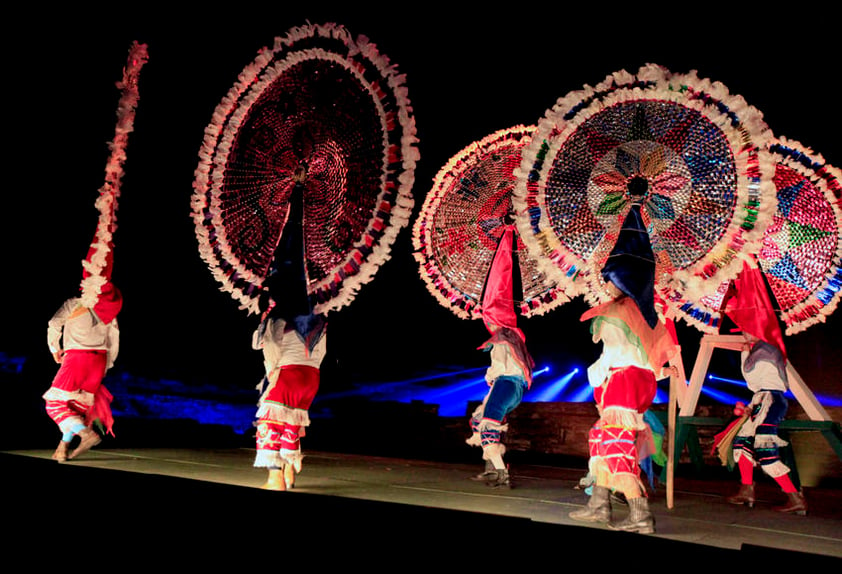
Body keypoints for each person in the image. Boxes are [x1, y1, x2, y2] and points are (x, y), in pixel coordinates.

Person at [568, 201, 679, 534]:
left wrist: (596, 377)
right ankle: (599, 504)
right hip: (638, 384)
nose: (607, 285)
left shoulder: (617, 312)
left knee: (614, 444)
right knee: (603, 439)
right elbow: (653, 362)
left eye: (610, 279)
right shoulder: (647, 314)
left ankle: (640, 514)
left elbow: (613, 353)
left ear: (622, 279)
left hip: (622, 383)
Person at [715, 256, 807, 514]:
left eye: (746, 327)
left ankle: (795, 497)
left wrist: (745, 289)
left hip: (771, 400)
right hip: (761, 400)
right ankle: (747, 490)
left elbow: (759, 316)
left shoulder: (768, 347)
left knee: (764, 450)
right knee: (742, 444)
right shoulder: (754, 349)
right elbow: (753, 380)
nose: (742, 331)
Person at [465, 223, 534, 489]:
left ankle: (501, 473)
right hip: (506, 385)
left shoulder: (506, 334)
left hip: (507, 384)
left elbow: (499, 307)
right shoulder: (507, 337)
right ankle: (493, 468)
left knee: (488, 424)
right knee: (479, 421)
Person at [42, 281, 122, 462]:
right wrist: (106, 365)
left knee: (54, 404)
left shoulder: (74, 303)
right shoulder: (108, 310)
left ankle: (87, 434)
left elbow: (54, 323)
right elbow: (113, 339)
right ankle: (62, 447)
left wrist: (54, 349)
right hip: (99, 361)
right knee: (74, 408)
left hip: (77, 357)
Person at [253, 306, 327, 491]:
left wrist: (265, 320)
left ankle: (275, 478)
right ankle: (288, 471)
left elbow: (267, 343)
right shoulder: (320, 314)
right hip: (311, 377)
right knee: (291, 423)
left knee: (270, 424)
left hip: (288, 374)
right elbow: (322, 350)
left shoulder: (279, 313)